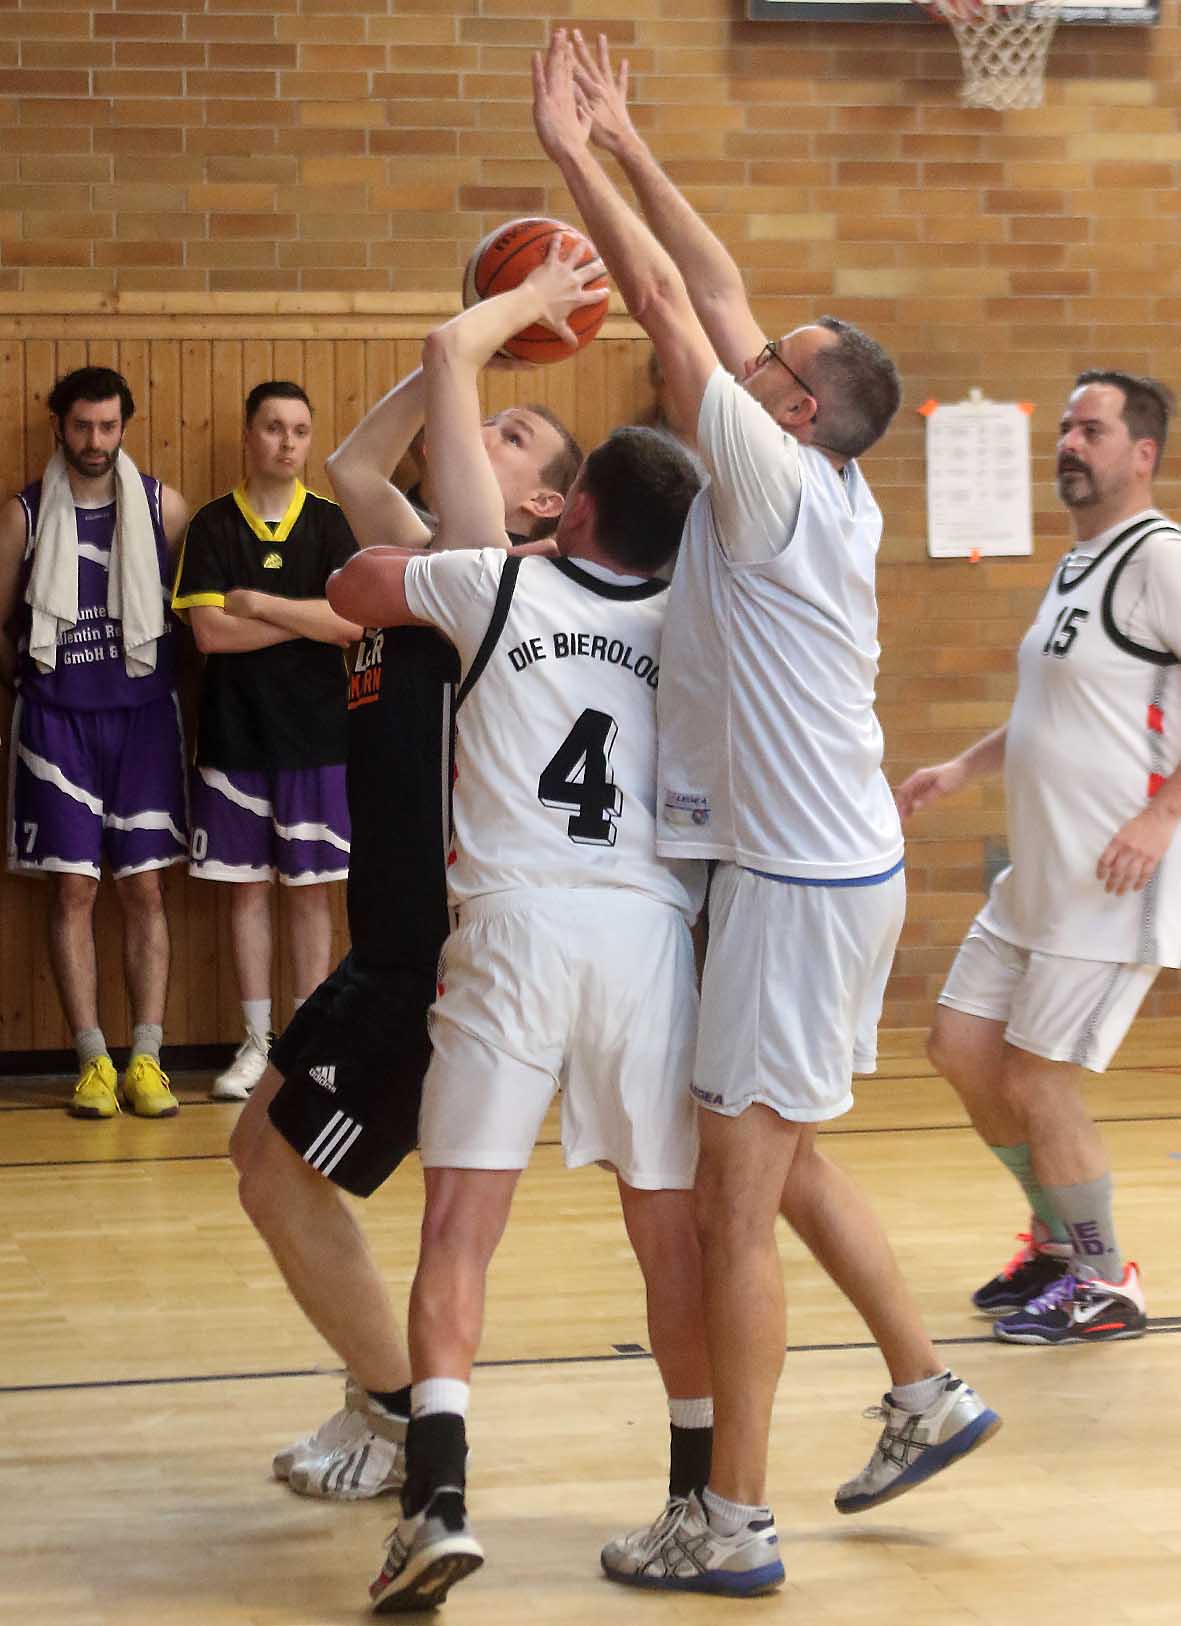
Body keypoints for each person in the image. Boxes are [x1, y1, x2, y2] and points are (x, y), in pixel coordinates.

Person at [530, 29, 1001, 1594]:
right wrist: (630, 134)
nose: (746, 356)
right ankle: (927, 1390)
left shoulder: (766, 475)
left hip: (795, 886)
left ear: (795, 409)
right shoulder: (822, 468)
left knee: (731, 1208)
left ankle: (728, 1522)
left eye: (772, 362)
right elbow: (720, 287)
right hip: (827, 871)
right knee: (778, 1159)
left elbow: (672, 306)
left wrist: (569, 160)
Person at [325, 242, 714, 1613]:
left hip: (513, 926)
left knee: (459, 1229)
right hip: (648, 936)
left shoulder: (491, 580)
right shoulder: (692, 625)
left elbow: (356, 585)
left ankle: (435, 1500)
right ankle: (695, 1493)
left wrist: (529, 306)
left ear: (572, 503)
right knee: (668, 1238)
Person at [227, 312, 584, 1501]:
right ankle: (378, 1400)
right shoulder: (428, 563)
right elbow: (351, 464)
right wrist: (456, 377)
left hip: (431, 952)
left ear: (540, 506)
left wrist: (494, 321)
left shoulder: (494, 578)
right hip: (381, 934)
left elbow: (446, 360)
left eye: (513, 435)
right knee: (261, 1157)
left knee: (280, 1173)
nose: (483, 430)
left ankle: (391, 1414)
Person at [896, 370, 1178, 1345]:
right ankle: (1057, 1243)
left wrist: (1161, 817)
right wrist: (961, 767)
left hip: (1113, 884)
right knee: (959, 1047)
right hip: (1039, 877)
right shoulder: (1078, 563)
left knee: (1035, 1079)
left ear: (1141, 453)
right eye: (1063, 427)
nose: (1067, 442)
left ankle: (1105, 1280)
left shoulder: (1158, 558)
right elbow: (1052, 712)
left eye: (1090, 430)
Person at [0, 366, 189, 1119]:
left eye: (108, 426)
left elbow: (190, 618)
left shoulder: (163, 506)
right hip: (57, 721)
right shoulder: (25, 514)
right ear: (60, 426)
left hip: (143, 718)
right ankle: (92, 1062)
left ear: (123, 428)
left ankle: (147, 1059)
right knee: (73, 889)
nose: (95, 441)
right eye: (82, 426)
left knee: (144, 888)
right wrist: (34, 685)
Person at [171, 382, 361, 1101]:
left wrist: (258, 604)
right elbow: (210, 635)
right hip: (234, 738)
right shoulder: (213, 525)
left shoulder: (331, 525)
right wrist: (302, 618)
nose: (287, 442)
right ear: (249, 436)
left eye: (300, 430)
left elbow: (351, 626)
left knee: (310, 897)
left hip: (319, 739)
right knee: (246, 894)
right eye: (274, 427)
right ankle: (258, 1045)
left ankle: (306, 1050)